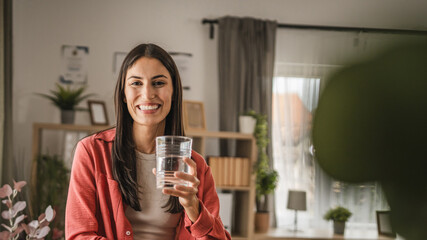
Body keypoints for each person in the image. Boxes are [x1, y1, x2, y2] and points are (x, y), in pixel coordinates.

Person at [65, 43, 231, 240]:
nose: (147, 94)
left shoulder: (196, 166)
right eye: (136, 83)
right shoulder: (92, 152)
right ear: (124, 95)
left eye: (158, 83)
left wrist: (192, 206)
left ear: (174, 92)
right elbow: (79, 235)